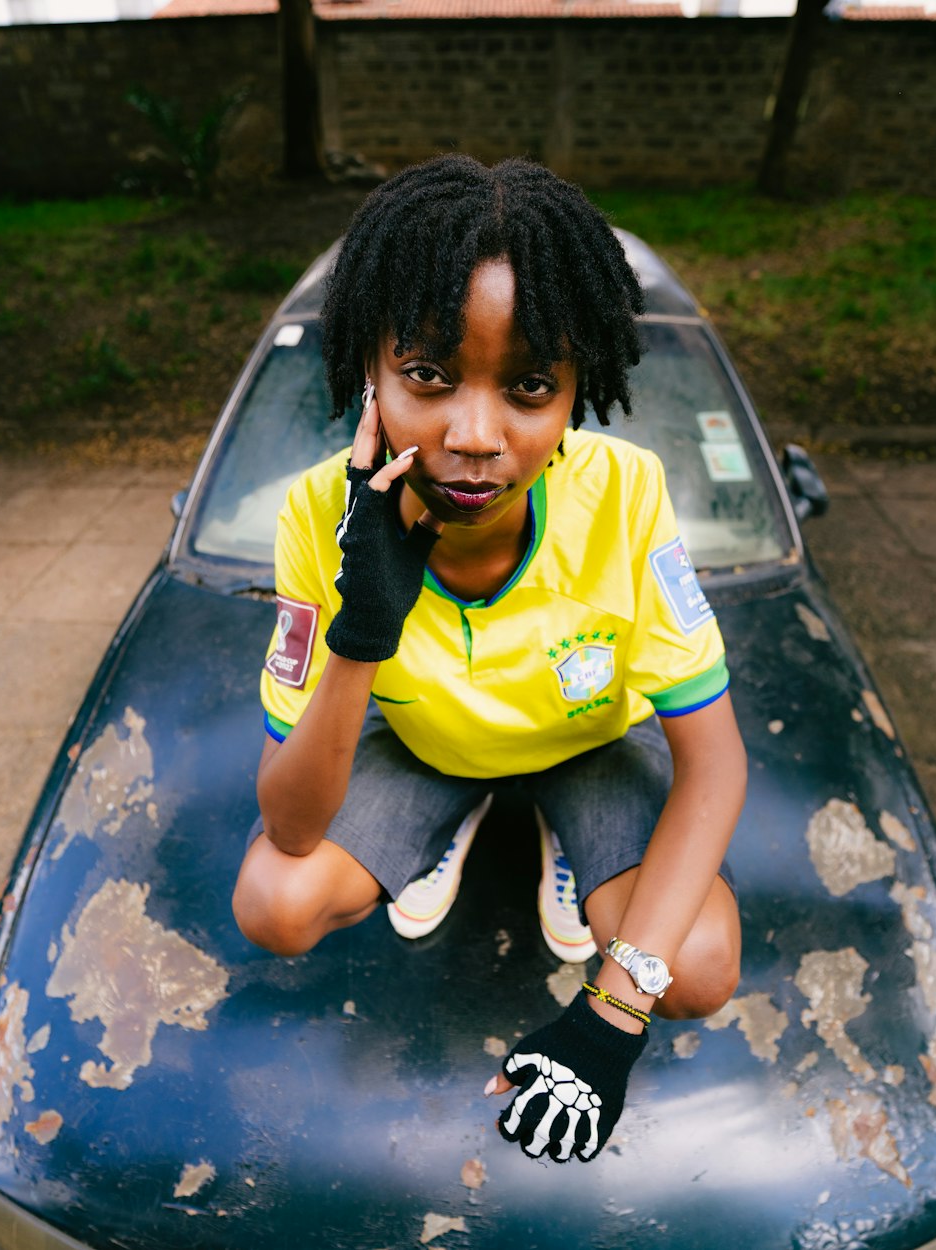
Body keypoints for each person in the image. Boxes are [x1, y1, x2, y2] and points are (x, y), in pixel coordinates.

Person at [232, 154, 746, 1164]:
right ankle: (458, 811)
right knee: (274, 901)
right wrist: (359, 632)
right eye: (427, 374)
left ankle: (556, 828)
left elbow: (716, 761)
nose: (475, 435)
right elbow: (290, 826)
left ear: (572, 394)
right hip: (420, 745)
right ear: (368, 376)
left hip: (586, 748)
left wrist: (614, 1008)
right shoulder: (313, 513)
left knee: (698, 965)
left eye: (528, 385)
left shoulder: (626, 492)